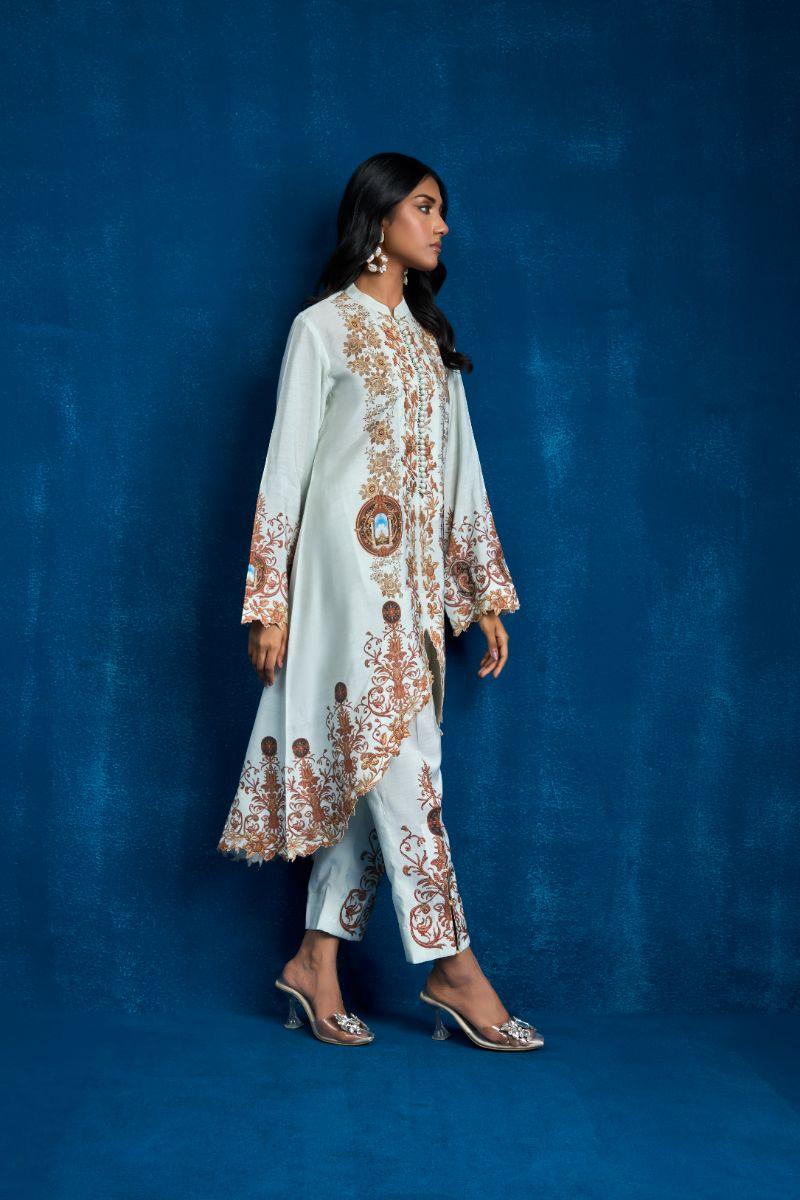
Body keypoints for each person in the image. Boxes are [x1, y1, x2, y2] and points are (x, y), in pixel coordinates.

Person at [217, 152, 544, 1052]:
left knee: (374, 764)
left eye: (442, 211)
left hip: (418, 588)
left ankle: (314, 961)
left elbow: (462, 473)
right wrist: (269, 601)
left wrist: (480, 594)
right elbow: (285, 467)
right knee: (406, 762)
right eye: (426, 207)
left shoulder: (432, 343)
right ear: (380, 216)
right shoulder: (320, 329)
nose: (442, 226)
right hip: (342, 581)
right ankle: (452, 965)